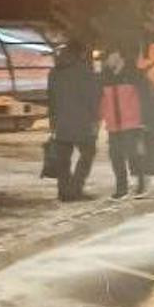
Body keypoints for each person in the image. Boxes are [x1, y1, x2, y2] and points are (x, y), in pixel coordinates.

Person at [46, 42, 100, 201]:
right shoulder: (84, 71)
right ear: (80, 54)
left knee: (63, 158)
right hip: (82, 122)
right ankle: (76, 188)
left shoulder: (54, 72)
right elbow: (92, 98)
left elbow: (51, 99)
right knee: (88, 153)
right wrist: (95, 119)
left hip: (61, 122)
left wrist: (53, 122)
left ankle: (64, 192)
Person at [99, 47, 149, 199]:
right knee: (116, 156)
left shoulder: (134, 74)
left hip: (131, 122)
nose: (107, 60)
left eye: (109, 56)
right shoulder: (105, 76)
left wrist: (145, 119)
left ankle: (141, 182)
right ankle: (121, 188)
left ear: (118, 55)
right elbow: (102, 100)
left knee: (133, 155)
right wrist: (102, 116)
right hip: (113, 124)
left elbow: (146, 97)